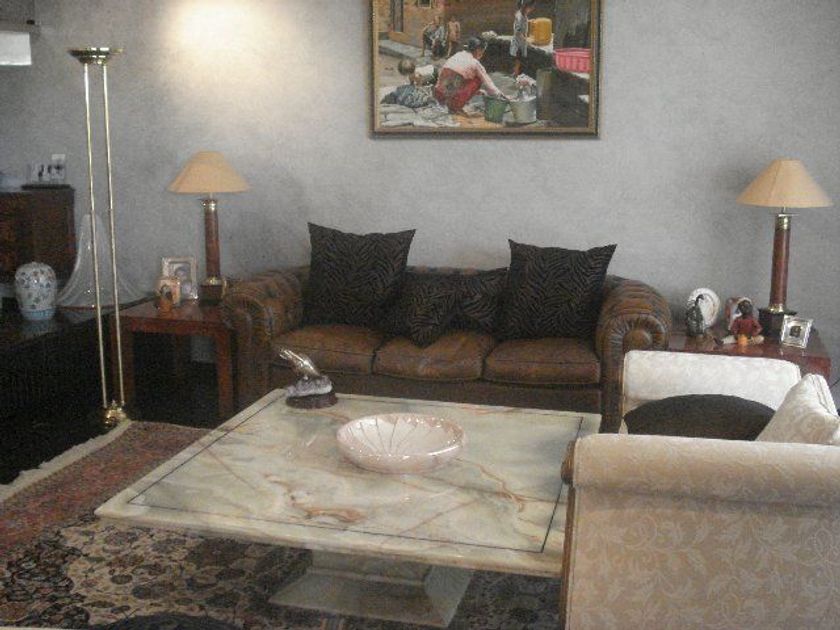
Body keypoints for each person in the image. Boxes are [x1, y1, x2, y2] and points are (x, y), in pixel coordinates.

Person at [434, 37, 505, 113]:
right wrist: (500, 95)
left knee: (465, 77)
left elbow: (452, 81)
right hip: (452, 101)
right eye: (482, 51)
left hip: (438, 96)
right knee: (478, 80)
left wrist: (476, 91)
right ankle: (455, 106)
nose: (482, 54)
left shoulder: (457, 55)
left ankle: (451, 103)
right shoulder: (475, 63)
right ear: (478, 50)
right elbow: (488, 83)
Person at [510, 0, 536, 77]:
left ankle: (516, 74)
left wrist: (530, 21)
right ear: (525, 6)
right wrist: (526, 39)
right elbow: (518, 31)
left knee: (519, 59)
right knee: (518, 60)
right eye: (530, 7)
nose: (531, 9)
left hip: (520, 42)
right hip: (518, 42)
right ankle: (516, 74)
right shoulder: (520, 17)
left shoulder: (523, 14)